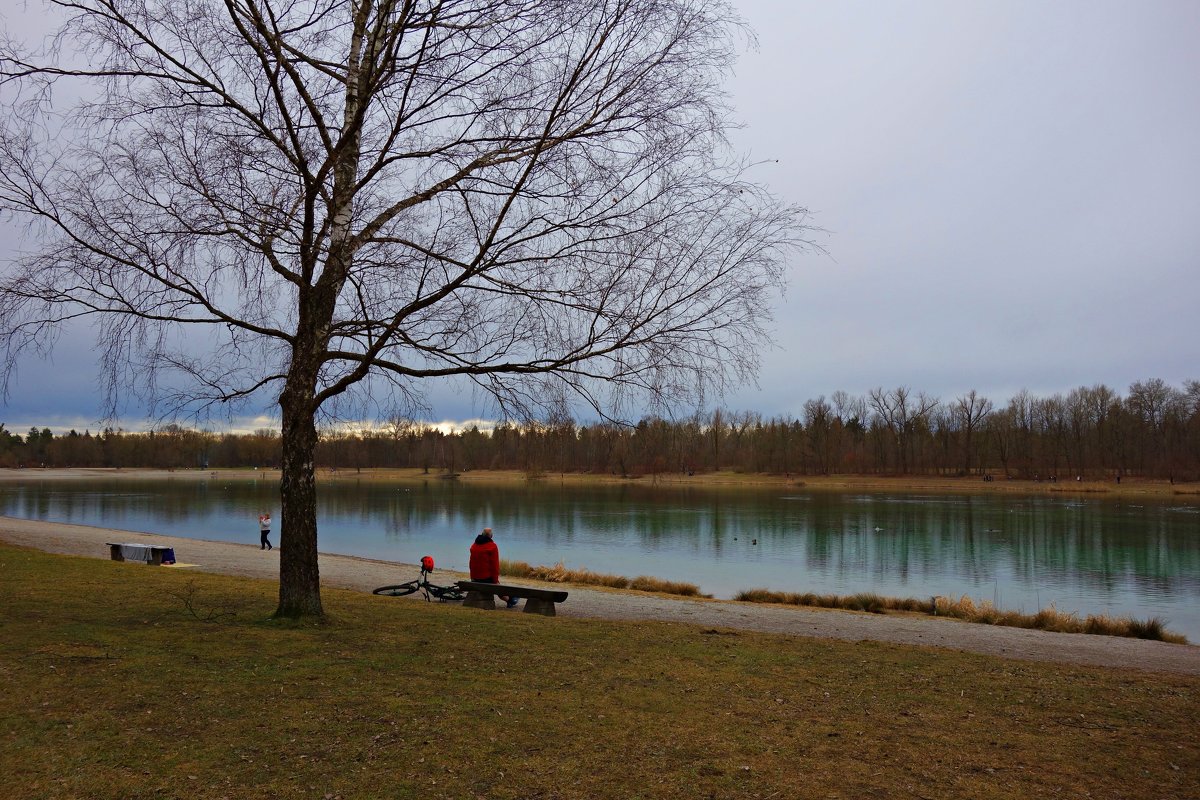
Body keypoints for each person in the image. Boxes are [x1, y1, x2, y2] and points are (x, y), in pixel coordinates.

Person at [469, 527, 518, 608]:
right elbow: (495, 565)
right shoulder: (492, 546)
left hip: (475, 578)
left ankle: (510, 599)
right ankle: (510, 600)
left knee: (496, 586)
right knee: (496, 587)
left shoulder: (474, 546)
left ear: (482, 534)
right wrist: (495, 581)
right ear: (491, 536)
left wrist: (472, 577)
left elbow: (471, 563)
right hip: (486, 578)